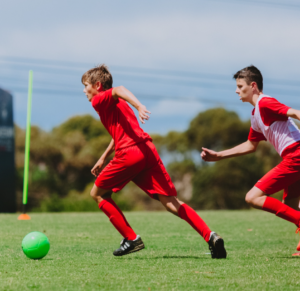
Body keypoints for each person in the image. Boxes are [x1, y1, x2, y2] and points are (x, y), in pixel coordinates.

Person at [81, 64, 226, 258]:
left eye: (85, 86)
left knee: (98, 194)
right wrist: (103, 157)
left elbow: (119, 89)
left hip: (129, 153)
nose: (84, 91)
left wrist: (140, 106)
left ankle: (131, 238)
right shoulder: (117, 104)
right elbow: (119, 132)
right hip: (146, 150)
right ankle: (211, 236)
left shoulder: (99, 100)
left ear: (98, 85)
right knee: (171, 202)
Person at [201, 65, 300, 252]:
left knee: (253, 197)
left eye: (240, 86)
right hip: (293, 156)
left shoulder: (265, 102)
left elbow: (295, 113)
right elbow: (250, 145)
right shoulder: (255, 114)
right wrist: (219, 155)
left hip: (296, 154)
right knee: (291, 206)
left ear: (253, 86)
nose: (236, 91)